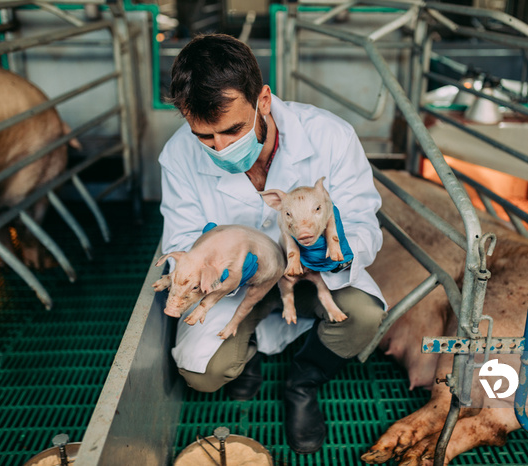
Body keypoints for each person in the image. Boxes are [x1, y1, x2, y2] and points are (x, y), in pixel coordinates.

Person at [158, 33, 386, 455]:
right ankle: (247, 354)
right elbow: (179, 240)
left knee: (364, 316)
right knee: (203, 373)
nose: (221, 149)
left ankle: (303, 382)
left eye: (233, 130)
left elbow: (361, 221)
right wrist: (214, 266)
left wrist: (338, 251)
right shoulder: (178, 156)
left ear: (263, 100)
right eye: (205, 137)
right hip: (241, 284)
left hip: (316, 271)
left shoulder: (330, 136)